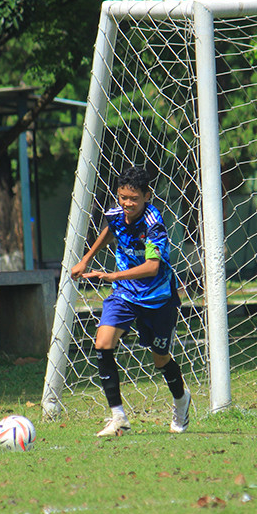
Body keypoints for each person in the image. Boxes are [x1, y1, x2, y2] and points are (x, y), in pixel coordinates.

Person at [71, 164, 192, 437]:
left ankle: (181, 399)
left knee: (160, 360)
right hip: (125, 294)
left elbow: (152, 267)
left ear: (147, 196)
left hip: (158, 298)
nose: (128, 203)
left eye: (134, 199)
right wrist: (85, 259)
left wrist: (111, 275)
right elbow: (109, 230)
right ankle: (118, 417)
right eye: (123, 197)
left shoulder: (153, 223)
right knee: (102, 342)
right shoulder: (116, 213)